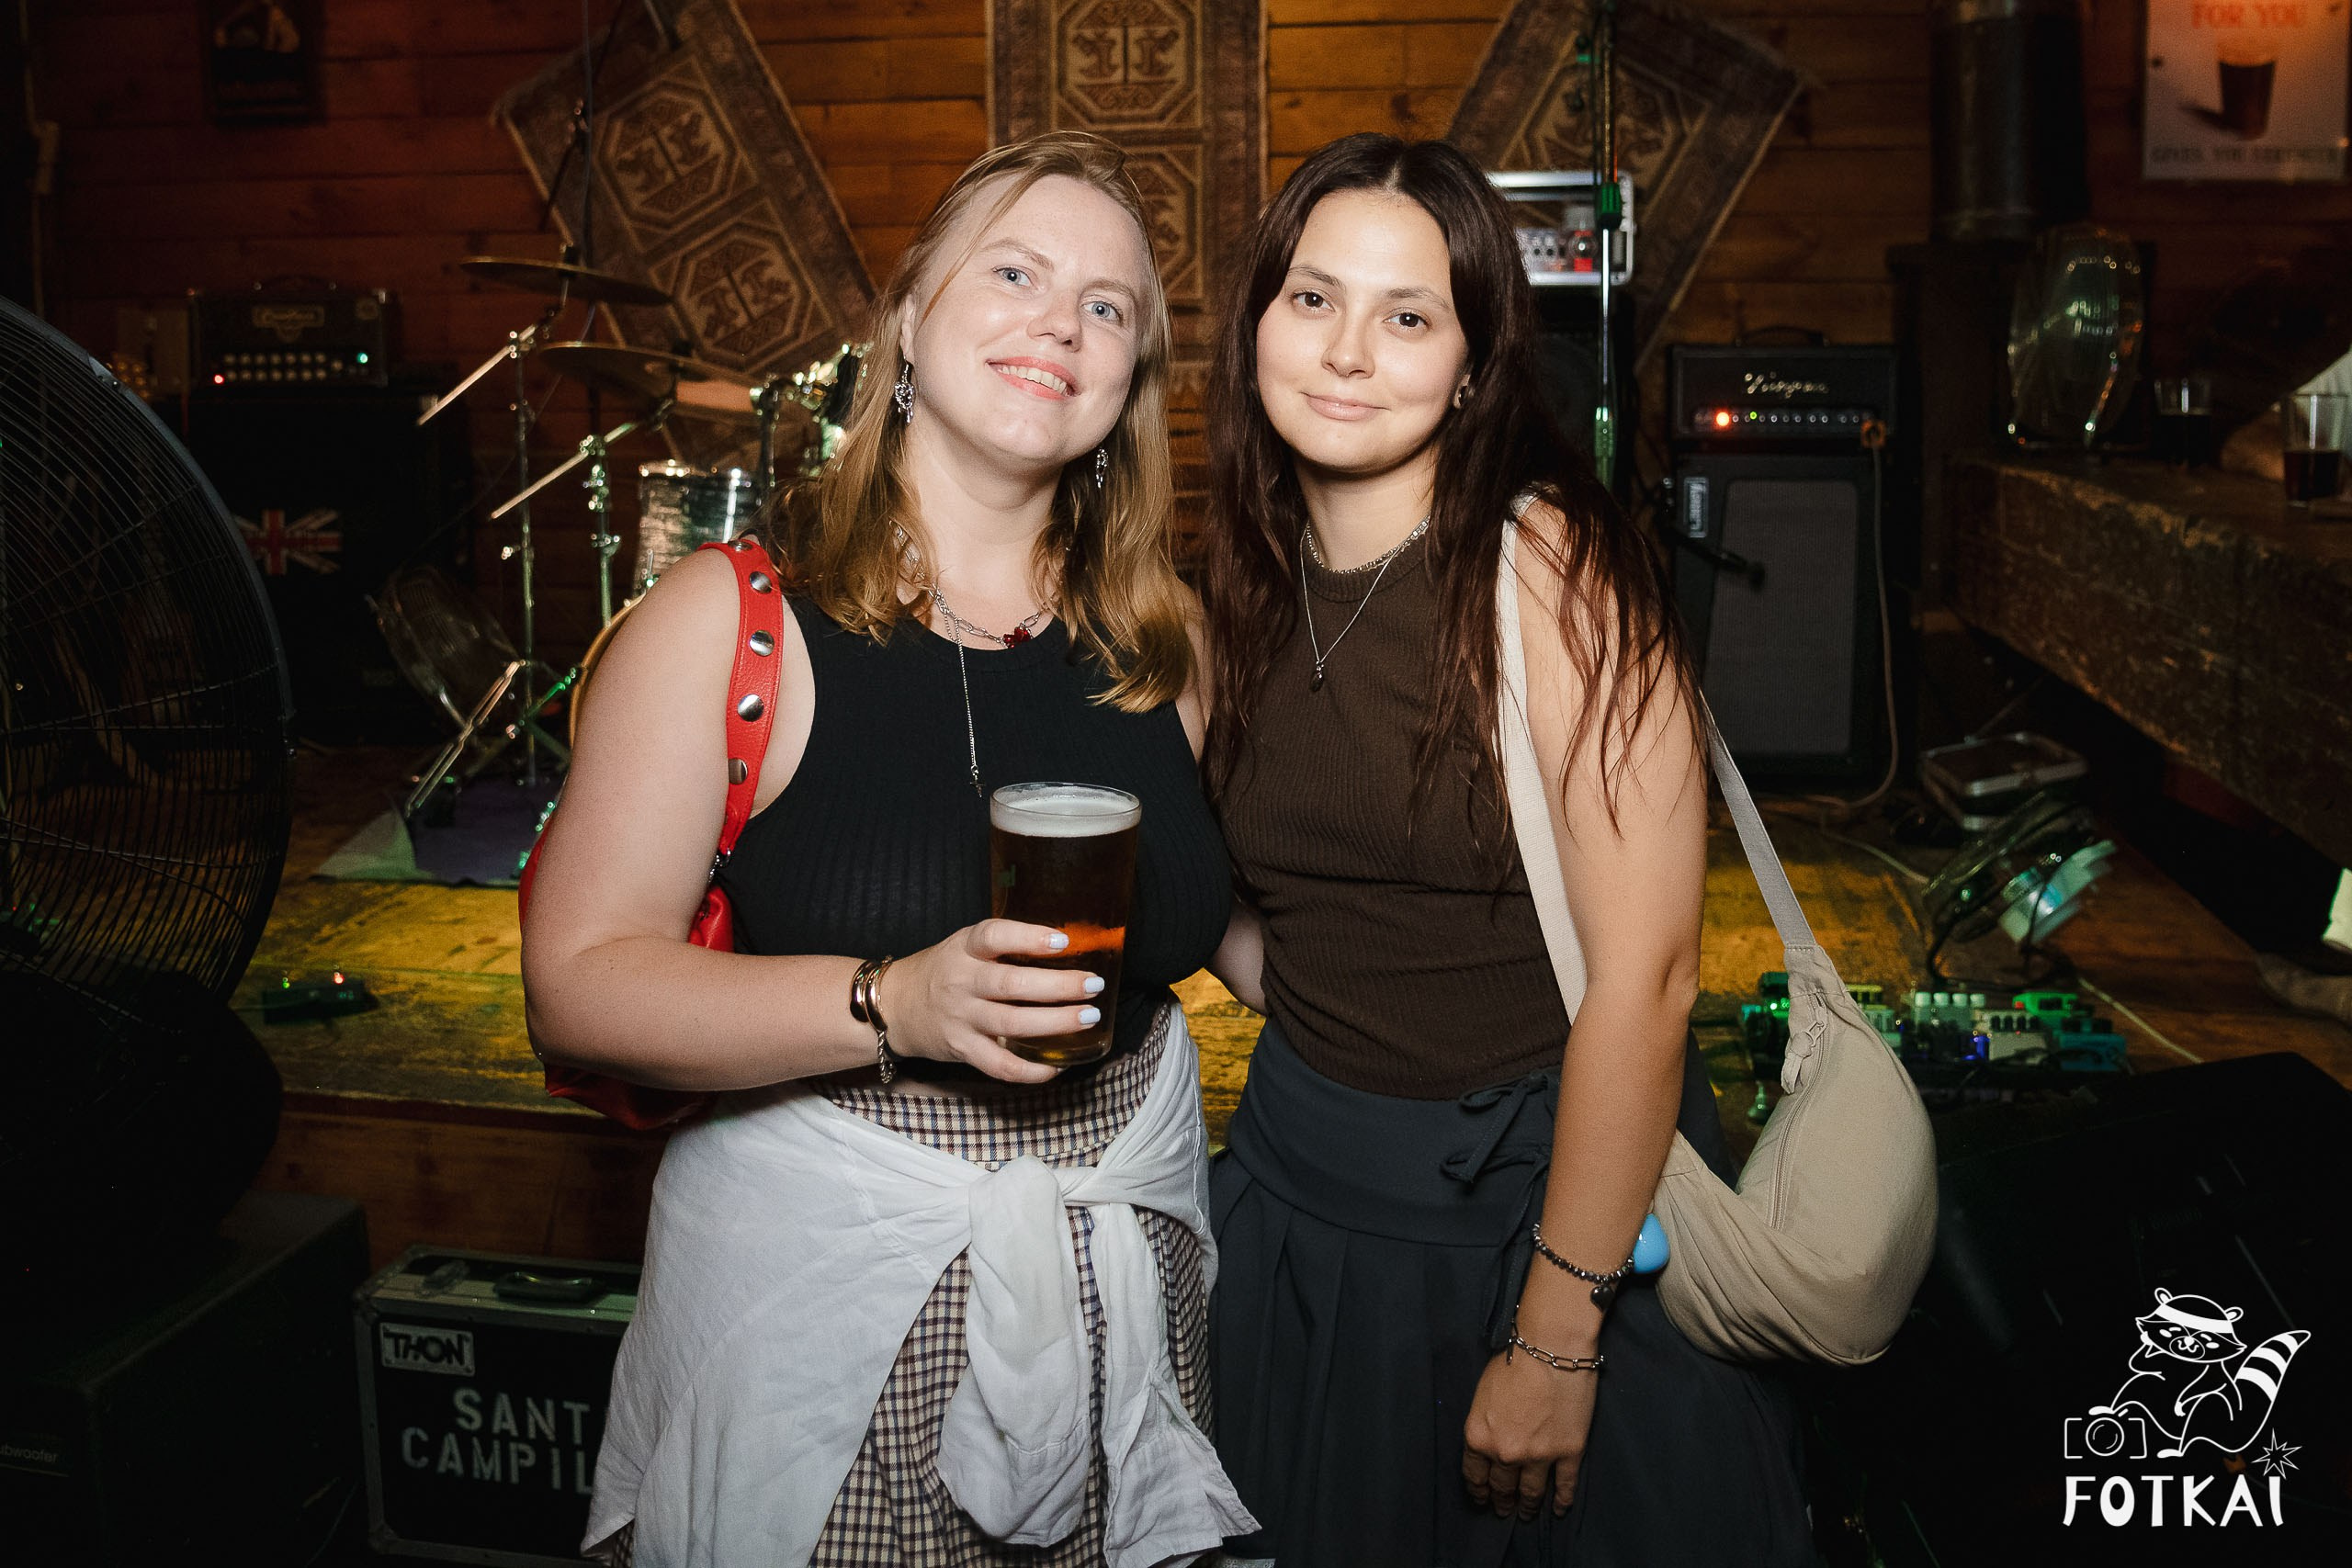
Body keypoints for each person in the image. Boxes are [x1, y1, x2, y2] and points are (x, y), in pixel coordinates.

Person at [521, 131, 1253, 1566]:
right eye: (1020, 272)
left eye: (1110, 308)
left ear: (1127, 388)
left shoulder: (1166, 642)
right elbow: (582, 986)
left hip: (1128, 1298)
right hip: (834, 1315)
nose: (1064, 321)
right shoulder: (728, 623)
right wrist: (890, 1001)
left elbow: (1242, 931)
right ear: (911, 321)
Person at [1194, 134, 1812, 1566]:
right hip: (1307, 1208)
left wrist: (1555, 1341)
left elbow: (1646, 983)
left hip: (1541, 1230)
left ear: (1472, 364)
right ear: (1257, 327)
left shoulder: (1548, 567)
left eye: (1409, 317)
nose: (1349, 352)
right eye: (1312, 300)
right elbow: (1250, 899)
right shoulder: (1238, 580)